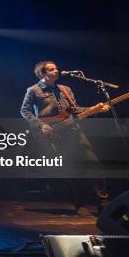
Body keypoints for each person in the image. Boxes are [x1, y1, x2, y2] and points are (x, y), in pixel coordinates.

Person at [20, 61, 109, 213]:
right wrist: (41, 125)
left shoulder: (65, 89)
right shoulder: (33, 90)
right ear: (42, 73)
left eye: (56, 68)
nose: (56, 71)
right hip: (54, 134)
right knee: (70, 170)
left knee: (94, 163)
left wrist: (95, 109)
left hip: (74, 131)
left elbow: (75, 110)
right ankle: (78, 202)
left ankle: (103, 201)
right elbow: (25, 111)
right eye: (51, 69)